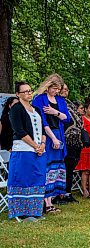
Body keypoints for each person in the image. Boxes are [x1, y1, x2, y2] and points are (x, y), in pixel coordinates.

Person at [7, 81, 47, 221]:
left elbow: (43, 128)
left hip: (38, 150)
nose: (29, 93)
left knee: (37, 178)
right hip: (23, 150)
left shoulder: (36, 109)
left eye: (30, 91)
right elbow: (19, 130)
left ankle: (35, 211)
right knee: (24, 179)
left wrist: (42, 144)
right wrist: (35, 146)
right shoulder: (16, 109)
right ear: (18, 94)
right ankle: (22, 213)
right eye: (25, 91)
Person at [32, 73, 70, 213]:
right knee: (46, 167)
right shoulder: (39, 99)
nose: (56, 91)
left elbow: (67, 118)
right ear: (48, 86)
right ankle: (45, 202)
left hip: (59, 134)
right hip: (46, 136)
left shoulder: (60, 101)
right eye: (54, 88)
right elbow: (42, 121)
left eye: (58, 89)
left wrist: (55, 112)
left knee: (57, 167)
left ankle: (51, 199)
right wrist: (53, 138)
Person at [58, 84, 82, 204]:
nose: (66, 91)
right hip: (64, 139)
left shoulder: (69, 103)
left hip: (75, 140)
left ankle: (67, 192)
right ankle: (60, 194)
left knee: (70, 168)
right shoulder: (57, 102)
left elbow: (78, 119)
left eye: (67, 89)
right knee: (63, 167)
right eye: (63, 89)